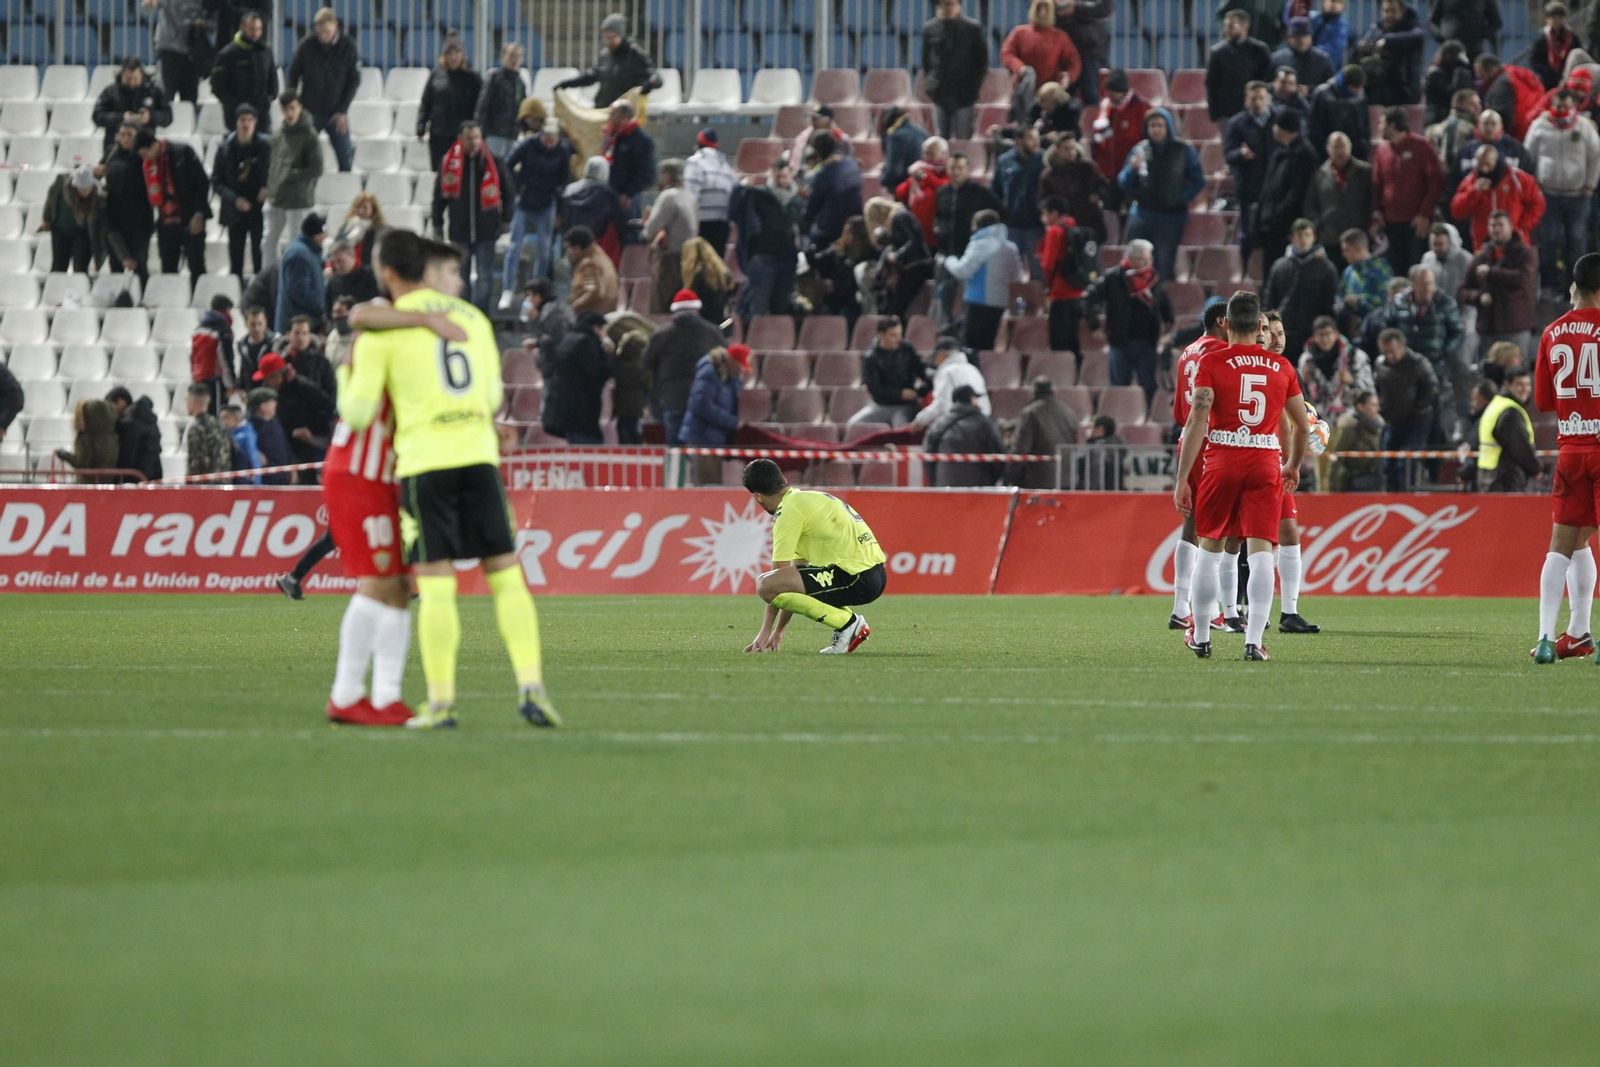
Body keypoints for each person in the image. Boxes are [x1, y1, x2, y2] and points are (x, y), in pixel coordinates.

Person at [340, 230, 555, 728]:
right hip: (478, 458)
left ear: (387, 271)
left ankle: (441, 702)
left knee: (437, 588)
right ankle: (532, 686)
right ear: (435, 270)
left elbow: (357, 413)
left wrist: (344, 373)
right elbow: (492, 401)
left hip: (423, 464)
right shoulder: (474, 319)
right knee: (506, 576)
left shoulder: (383, 329)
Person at [1173, 290, 1312, 660]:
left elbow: (1196, 419)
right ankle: (1253, 642)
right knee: (1263, 552)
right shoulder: (1282, 368)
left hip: (1221, 458)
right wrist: (1294, 465)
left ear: (1228, 324)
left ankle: (1201, 636)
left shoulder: (1213, 361)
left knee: (1212, 549)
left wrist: (1183, 477)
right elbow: (1302, 426)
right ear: (1259, 327)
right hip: (1265, 459)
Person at [1531, 251, 1600, 662]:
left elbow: (1543, 400)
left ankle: (1552, 638)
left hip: (1572, 450)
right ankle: (1579, 635)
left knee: (1565, 545)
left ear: (1574, 287)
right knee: (1577, 545)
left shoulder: (1552, 332)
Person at [742, 459, 885, 655]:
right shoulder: (808, 500)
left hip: (856, 577)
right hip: (873, 574)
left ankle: (848, 623)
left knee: (764, 585)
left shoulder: (787, 511)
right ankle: (848, 625)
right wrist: (778, 632)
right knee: (778, 583)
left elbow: (776, 582)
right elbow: (791, 580)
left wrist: (765, 630)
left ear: (757, 496)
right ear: (783, 479)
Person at [1169, 298, 1234, 629]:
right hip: (1209, 440)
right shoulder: (1217, 354)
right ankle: (1212, 611)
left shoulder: (1188, 352)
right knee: (1215, 528)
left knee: (1192, 524)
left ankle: (1181, 606)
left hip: (1187, 438)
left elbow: (1180, 409)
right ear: (1224, 322)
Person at [1525, 88, 1600, 293]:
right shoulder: (1539, 126)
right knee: (1549, 240)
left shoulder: (1584, 127)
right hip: (1548, 194)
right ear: (1552, 105)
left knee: (1577, 240)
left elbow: (1595, 156)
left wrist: (1590, 184)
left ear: (1573, 106)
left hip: (1578, 196)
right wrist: (1533, 187)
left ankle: (1578, 284)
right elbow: (1528, 157)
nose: (1561, 110)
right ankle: (1550, 285)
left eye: (1565, 106)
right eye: (1557, 106)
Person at [1118, 108, 1205, 280]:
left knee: (1163, 266)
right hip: (1142, 214)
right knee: (1132, 262)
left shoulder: (1183, 149)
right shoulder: (1140, 149)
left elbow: (1198, 180)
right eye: (1151, 126)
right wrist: (1131, 169)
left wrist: (1181, 198)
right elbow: (1123, 182)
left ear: (1168, 127)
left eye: (1159, 125)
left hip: (1170, 218)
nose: (1155, 130)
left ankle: (1159, 303)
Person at [432, 121, 508, 314]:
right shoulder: (448, 162)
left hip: (487, 230)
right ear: (460, 139)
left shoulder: (494, 162)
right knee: (461, 276)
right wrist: (437, 223)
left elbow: (509, 192)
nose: (474, 142)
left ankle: (481, 314)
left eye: (476, 137)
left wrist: (506, 220)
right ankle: (464, 314)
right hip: (460, 230)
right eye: (469, 138)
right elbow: (439, 196)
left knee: (485, 275)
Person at [1086, 238, 1174, 399]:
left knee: (1148, 385)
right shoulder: (1113, 277)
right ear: (1132, 258)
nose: (1148, 262)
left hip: (1147, 341)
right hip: (1120, 341)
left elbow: (1165, 307)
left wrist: (1168, 326)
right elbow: (1088, 299)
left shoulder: (1154, 279)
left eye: (1149, 258)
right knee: (1119, 386)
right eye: (1144, 258)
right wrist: (1094, 326)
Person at [284, 7, 360, 172]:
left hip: (336, 113)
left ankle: (345, 193)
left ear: (336, 26)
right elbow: (293, 72)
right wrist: (293, 100)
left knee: (345, 159)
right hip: (310, 110)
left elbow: (353, 81)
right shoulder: (307, 45)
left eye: (326, 32)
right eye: (319, 32)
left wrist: (342, 110)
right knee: (300, 156)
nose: (323, 36)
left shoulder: (348, 46)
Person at [1458, 209, 1539, 359]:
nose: (1496, 229)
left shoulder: (1526, 253)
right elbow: (1462, 290)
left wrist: (1491, 272)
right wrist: (1478, 296)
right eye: (1492, 225)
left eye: (1500, 225)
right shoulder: (1481, 257)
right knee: (1487, 375)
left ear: (1510, 226)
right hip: (1487, 326)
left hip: (1515, 325)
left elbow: (1523, 279)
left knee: (1515, 372)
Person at [646, 291, 725, 444]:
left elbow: (647, 363)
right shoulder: (712, 332)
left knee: (676, 452)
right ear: (696, 310)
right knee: (702, 452)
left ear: (675, 311)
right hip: (705, 402)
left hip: (672, 400)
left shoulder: (661, 335)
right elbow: (724, 361)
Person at [1371, 106, 1443, 274]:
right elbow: (1377, 184)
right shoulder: (1381, 150)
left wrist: (1425, 213)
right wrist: (1375, 214)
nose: (1379, 127)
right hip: (1390, 223)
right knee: (1393, 270)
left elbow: (1435, 181)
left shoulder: (1422, 146)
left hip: (1415, 222)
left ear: (1393, 125)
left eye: (1382, 123)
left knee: (1416, 269)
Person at [133, 128, 209, 283]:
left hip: (189, 218)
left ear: (154, 146)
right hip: (165, 223)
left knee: (196, 266)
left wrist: (199, 214)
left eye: (144, 153)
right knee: (168, 269)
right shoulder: (147, 165)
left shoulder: (182, 152)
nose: (144, 158)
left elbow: (202, 183)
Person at [945, 209, 1023, 351]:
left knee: (970, 345)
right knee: (988, 344)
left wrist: (949, 261)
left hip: (978, 300)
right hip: (999, 302)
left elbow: (963, 270)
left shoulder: (981, 244)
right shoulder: (1011, 247)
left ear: (978, 226)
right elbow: (1017, 276)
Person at [1252, 110, 1318, 277]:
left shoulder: (1304, 153)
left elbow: (1297, 192)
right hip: (1271, 225)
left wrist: (1277, 214)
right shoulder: (1280, 152)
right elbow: (1268, 188)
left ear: (1283, 128)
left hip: (1286, 226)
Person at [263, 90, 323, 268]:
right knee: (268, 242)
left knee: (296, 243)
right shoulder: (278, 134)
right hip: (277, 197)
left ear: (300, 108)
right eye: (285, 109)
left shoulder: (309, 135)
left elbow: (316, 168)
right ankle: (269, 278)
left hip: (298, 199)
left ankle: (294, 275)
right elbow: (273, 165)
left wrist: (290, 175)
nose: (289, 113)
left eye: (292, 108)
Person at [1372, 327, 1438, 488]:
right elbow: (1377, 388)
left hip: (1416, 421)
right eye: (1385, 352)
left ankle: (1408, 497)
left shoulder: (1418, 363)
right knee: (1388, 463)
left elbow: (1432, 388)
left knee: (1407, 464)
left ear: (1402, 346)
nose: (1389, 356)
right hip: (1391, 421)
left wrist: (1418, 407)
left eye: (1392, 351)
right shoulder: (1380, 365)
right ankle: (1390, 499)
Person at [1264, 218, 1340, 359]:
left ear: (1314, 238)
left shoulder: (1326, 267)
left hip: (1314, 333)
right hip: (1286, 330)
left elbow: (1331, 300)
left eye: (1307, 235)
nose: (1303, 239)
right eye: (1299, 236)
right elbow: (1270, 299)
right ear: (1292, 238)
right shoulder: (1280, 266)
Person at [730, 168, 799, 320]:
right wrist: (740, 187)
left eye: (785, 176)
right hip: (762, 259)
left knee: (781, 309)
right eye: (778, 176)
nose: (781, 181)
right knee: (757, 309)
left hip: (786, 259)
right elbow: (733, 211)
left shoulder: (796, 200)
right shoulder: (757, 195)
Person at [1451, 142, 1546, 251]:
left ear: (1496, 161)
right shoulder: (1471, 181)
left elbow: (1538, 204)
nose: (1484, 169)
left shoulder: (1518, 179)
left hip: (1515, 241)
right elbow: (1457, 211)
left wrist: (1520, 226)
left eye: (1487, 164)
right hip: (1483, 243)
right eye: (1481, 165)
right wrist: (1473, 192)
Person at [555, 13, 661, 109]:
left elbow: (656, 78)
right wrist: (566, 84)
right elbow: (591, 76)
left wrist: (648, 84)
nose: (608, 41)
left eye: (612, 37)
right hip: (603, 107)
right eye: (606, 37)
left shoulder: (635, 55)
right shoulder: (605, 55)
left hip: (624, 112)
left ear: (621, 35)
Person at [211, 105, 270, 278]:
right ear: (236, 123)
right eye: (242, 120)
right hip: (234, 209)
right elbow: (216, 181)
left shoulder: (265, 146)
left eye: (249, 120)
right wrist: (234, 199)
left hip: (259, 207)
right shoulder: (225, 148)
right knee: (236, 256)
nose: (246, 124)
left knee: (260, 254)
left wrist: (266, 188)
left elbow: (275, 172)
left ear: (255, 123)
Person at [252, 350, 334, 475]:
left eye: (269, 379)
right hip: (286, 446)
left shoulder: (306, 389)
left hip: (307, 448)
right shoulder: (271, 391)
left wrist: (311, 432)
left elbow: (328, 410)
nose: (267, 383)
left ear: (278, 376)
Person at [1001, 0, 1082, 123]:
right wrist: (1020, 68)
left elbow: (1074, 61)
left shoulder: (1060, 37)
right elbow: (1006, 53)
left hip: (1050, 97)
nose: (1043, 12)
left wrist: (1068, 77)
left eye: (1046, 9)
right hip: (1024, 92)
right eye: (1039, 9)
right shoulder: (1019, 33)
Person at [540, 310, 614, 446]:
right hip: (581, 411)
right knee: (590, 449)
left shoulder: (568, 339)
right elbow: (598, 372)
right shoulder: (588, 342)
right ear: (596, 328)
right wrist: (608, 355)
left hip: (564, 408)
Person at [681, 344, 751, 483]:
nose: (740, 369)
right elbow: (701, 405)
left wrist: (742, 380)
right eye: (739, 365)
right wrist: (732, 422)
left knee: (713, 483)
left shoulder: (729, 377)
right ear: (731, 360)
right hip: (702, 439)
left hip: (715, 439)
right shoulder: (709, 373)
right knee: (706, 487)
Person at [922, 0, 990, 140]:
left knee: (963, 137)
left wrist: (974, 85)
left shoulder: (972, 28)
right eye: (945, 4)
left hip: (965, 91)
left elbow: (982, 61)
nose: (948, 7)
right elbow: (926, 61)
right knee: (941, 138)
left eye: (951, 4)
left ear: (959, 6)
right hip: (940, 91)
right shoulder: (930, 28)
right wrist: (931, 84)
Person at [1304, 134, 1373, 272]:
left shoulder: (1365, 171)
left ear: (1350, 147)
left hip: (1357, 239)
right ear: (1328, 150)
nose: (1340, 151)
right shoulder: (1320, 174)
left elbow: (1372, 200)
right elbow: (1311, 205)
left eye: (1343, 146)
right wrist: (1319, 226)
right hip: (1330, 239)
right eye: (1336, 147)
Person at [1038, 195, 1094, 360]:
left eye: (1044, 214)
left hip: (1061, 293)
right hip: (1079, 292)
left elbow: (1048, 264)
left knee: (1060, 342)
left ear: (1054, 213)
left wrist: (1048, 287)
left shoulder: (1055, 231)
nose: (1043, 219)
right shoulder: (1075, 228)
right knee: (1074, 340)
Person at [1465, 369, 1539, 492]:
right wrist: (1536, 468)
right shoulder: (1510, 411)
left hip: (1488, 476)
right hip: (1506, 478)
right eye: (1519, 384)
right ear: (1507, 385)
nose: (1525, 389)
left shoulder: (1496, 405)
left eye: (1527, 384)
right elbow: (1520, 446)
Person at [1225, 81, 1274, 256]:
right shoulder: (1236, 123)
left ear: (1268, 99)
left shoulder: (1278, 120)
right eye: (1254, 98)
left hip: (1274, 190)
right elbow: (1229, 154)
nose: (1258, 102)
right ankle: (1244, 277)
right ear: (1247, 100)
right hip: (1248, 189)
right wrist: (1240, 153)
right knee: (1248, 236)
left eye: (1261, 98)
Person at [101, 122, 154, 283]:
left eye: (129, 135)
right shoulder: (112, 152)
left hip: (139, 219)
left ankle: (142, 297)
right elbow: (101, 169)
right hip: (115, 216)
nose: (125, 139)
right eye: (122, 134)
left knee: (139, 263)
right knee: (115, 263)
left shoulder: (142, 154)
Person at [419, 39, 483, 173]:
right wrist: (421, 125)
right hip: (438, 134)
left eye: (457, 52)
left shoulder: (472, 78)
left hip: (461, 136)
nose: (453, 57)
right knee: (439, 171)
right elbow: (426, 102)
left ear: (462, 55)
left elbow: (480, 106)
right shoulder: (436, 75)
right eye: (449, 53)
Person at [643, 158, 698, 313]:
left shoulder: (668, 196)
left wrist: (647, 222)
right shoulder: (691, 197)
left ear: (667, 176)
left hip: (670, 259)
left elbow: (650, 230)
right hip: (690, 259)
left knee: (661, 307)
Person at [1005, 375, 1081, 488]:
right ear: (1054, 391)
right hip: (1067, 479)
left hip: (1039, 479)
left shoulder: (1030, 413)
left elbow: (1021, 449)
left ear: (1034, 393)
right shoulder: (1069, 412)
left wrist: (1009, 476)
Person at [853, 317, 930, 426]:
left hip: (906, 405)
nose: (898, 339)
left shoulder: (906, 349)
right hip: (880, 405)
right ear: (881, 334)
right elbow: (875, 389)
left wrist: (922, 388)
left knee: (900, 429)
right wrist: (899, 394)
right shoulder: (871, 357)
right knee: (854, 425)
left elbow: (921, 370)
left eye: (899, 334)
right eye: (893, 335)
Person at [924, 383, 1005, 486]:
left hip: (946, 489)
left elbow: (928, 458)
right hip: (978, 491)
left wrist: (936, 482)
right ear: (972, 400)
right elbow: (999, 457)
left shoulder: (939, 424)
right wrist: (990, 482)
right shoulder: (984, 424)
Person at [1089, 69, 1152, 201]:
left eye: (1113, 91)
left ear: (1122, 91)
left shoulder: (1141, 107)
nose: (1109, 95)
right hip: (1109, 171)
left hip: (1132, 171)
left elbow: (1147, 137)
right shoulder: (1106, 107)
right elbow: (1099, 135)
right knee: (1109, 210)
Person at [210, 10, 276, 131]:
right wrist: (237, 106)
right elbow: (217, 86)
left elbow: (273, 80)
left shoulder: (266, 52)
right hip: (236, 117)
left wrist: (269, 98)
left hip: (261, 116)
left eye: (258, 29)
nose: (255, 33)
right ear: (242, 27)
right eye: (251, 29)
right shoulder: (227, 54)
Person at [1299, 315, 1375, 422]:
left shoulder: (1355, 356)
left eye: (1328, 334)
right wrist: (1303, 382)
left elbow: (1370, 392)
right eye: (1320, 335)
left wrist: (1352, 381)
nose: (1324, 339)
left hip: (1350, 415)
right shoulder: (1306, 360)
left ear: (1336, 334)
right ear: (1314, 337)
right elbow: (1299, 397)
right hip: (1317, 417)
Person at [1207, 10, 1275, 124]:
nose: (1227, 30)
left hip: (1256, 110)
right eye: (1226, 26)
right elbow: (1211, 84)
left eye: (1231, 26)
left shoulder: (1260, 50)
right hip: (1226, 112)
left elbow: (1267, 79)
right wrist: (1214, 114)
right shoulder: (1217, 52)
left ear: (1245, 27)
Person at [993, 127, 1047, 271]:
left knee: (1038, 271)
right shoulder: (1004, 161)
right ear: (1019, 140)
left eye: (1037, 138)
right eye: (1031, 138)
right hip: (1011, 225)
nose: (1036, 142)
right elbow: (996, 191)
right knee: (1010, 272)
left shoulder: (1044, 161)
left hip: (1035, 226)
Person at [1353, 0, 1426, 106]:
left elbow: (1417, 37)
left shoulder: (1413, 29)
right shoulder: (1377, 28)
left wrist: (1387, 42)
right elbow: (1364, 46)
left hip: (1404, 91)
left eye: (1393, 11)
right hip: (1378, 89)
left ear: (1402, 11)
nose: (1389, 15)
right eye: (1385, 11)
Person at [94, 57, 172, 154]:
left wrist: (150, 117)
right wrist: (121, 117)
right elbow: (97, 116)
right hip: (116, 147)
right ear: (122, 75)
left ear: (141, 75)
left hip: (145, 148)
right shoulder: (110, 92)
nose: (132, 82)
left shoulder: (153, 91)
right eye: (128, 79)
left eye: (135, 78)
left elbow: (168, 117)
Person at [1038, 134, 1108, 243]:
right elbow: (1043, 201)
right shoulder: (1049, 176)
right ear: (1057, 150)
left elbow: (1103, 186)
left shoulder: (1088, 168)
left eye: (1073, 148)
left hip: (1089, 224)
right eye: (1066, 149)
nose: (1071, 152)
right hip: (1062, 228)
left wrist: (1097, 195)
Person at [38, 166, 108, 274]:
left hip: (83, 234)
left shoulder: (97, 195)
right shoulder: (62, 185)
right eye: (82, 189)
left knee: (80, 267)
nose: (85, 192)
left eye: (87, 188)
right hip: (61, 231)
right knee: (59, 266)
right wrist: (46, 219)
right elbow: (51, 201)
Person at [803, 133, 865, 248]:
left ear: (817, 153)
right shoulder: (852, 163)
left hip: (830, 232)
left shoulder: (823, 175)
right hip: (855, 225)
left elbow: (810, 210)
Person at [914, 338, 991, 428]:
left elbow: (942, 407)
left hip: (958, 427)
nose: (935, 361)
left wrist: (920, 420)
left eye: (936, 356)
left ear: (942, 354)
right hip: (982, 423)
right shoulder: (973, 370)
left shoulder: (947, 372)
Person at [563, 157, 626, 268]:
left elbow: (564, 217)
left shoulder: (569, 190)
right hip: (598, 242)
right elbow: (619, 221)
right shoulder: (608, 194)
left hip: (572, 240)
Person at [146, 0, 212, 103]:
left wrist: (205, 24)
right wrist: (150, 4)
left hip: (193, 53)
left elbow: (212, 19)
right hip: (169, 51)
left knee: (190, 101)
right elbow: (150, 8)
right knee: (165, 99)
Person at [1428, 89, 1483, 212]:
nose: (1479, 108)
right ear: (1460, 105)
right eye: (1473, 104)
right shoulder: (1464, 129)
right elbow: (1450, 161)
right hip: (1455, 190)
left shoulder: (1434, 128)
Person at [684, 128, 737, 253]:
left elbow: (690, 196)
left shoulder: (695, 162)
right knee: (716, 267)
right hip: (722, 225)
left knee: (699, 267)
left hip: (701, 224)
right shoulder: (726, 166)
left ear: (698, 144)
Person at [1056, 0, 1114, 108]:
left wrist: (1076, 7)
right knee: (1060, 100)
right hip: (1060, 50)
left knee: (1091, 97)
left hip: (1089, 50)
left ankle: (1093, 123)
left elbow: (1105, 8)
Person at [1307, 64, 1371, 164]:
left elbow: (1364, 125)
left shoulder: (1360, 96)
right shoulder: (1323, 95)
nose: (1357, 91)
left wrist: (1365, 149)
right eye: (1354, 88)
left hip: (1355, 155)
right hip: (1328, 155)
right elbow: (1314, 129)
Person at [276, 212, 327, 333]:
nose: (326, 236)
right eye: (324, 232)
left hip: (304, 324)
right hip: (298, 326)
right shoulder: (299, 255)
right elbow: (300, 292)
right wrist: (322, 308)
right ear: (317, 235)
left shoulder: (308, 251)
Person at [1337, 228, 1394, 335]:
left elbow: (1385, 299)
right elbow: (1340, 294)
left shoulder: (1381, 269)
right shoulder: (1349, 271)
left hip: (1374, 328)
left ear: (1358, 249)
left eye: (1347, 250)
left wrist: (1359, 301)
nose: (1343, 254)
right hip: (1349, 326)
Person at [603, 102, 656, 217]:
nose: (609, 117)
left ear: (624, 116)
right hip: (609, 193)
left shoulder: (641, 140)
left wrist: (629, 193)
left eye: (612, 113)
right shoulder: (613, 136)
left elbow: (647, 172)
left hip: (628, 198)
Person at [1476, 54, 1546, 141]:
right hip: (1533, 129)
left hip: (1517, 135)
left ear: (1490, 69)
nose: (1480, 80)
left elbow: (1502, 116)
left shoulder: (1500, 84)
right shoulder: (1517, 74)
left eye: (1481, 75)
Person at [897, 140, 952, 248]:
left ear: (944, 154)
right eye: (925, 153)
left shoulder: (950, 169)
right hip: (918, 232)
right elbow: (900, 193)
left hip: (939, 232)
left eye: (931, 154)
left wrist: (924, 174)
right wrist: (913, 181)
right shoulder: (921, 169)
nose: (927, 157)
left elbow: (942, 188)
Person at [476, 43, 526, 159]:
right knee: (493, 167)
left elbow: (523, 108)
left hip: (512, 134)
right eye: (511, 56)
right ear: (502, 57)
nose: (514, 60)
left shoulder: (520, 82)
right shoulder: (494, 77)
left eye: (517, 56)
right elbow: (483, 104)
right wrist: (479, 128)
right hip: (494, 132)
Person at [52, 397, 120, 483]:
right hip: (108, 483)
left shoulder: (86, 439)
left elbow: (82, 464)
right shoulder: (113, 437)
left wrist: (65, 455)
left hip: (88, 484)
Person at [1328, 389, 1385, 489]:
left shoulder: (1380, 428)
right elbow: (1338, 458)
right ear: (1360, 407)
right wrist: (1334, 486)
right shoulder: (1351, 429)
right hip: (1355, 480)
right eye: (1373, 405)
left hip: (1377, 477)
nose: (1377, 409)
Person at [191, 294, 235, 413]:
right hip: (215, 381)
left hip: (199, 379)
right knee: (218, 415)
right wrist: (231, 384)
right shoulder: (222, 331)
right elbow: (225, 359)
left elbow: (193, 357)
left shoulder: (198, 329)